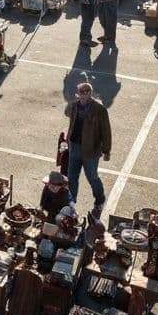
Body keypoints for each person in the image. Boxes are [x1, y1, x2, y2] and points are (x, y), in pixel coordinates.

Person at [65, 81, 112, 217]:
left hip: (91, 149)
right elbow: (72, 124)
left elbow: (106, 131)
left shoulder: (99, 110)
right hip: (74, 146)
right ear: (78, 93)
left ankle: (100, 199)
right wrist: (67, 141)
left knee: (92, 176)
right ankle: (71, 202)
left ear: (91, 93)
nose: (84, 94)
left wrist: (107, 151)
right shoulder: (74, 106)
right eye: (82, 91)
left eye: (87, 91)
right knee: (72, 177)